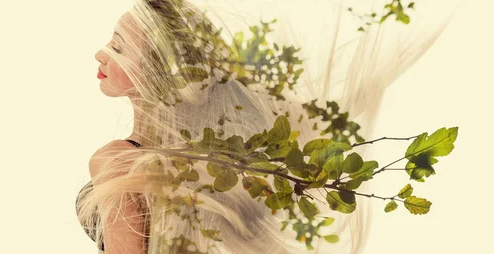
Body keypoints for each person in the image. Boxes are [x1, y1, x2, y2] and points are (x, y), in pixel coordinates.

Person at [76, 0, 457, 253]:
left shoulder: (117, 161)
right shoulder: (230, 164)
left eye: (119, 46)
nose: (100, 53)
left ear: (161, 71)